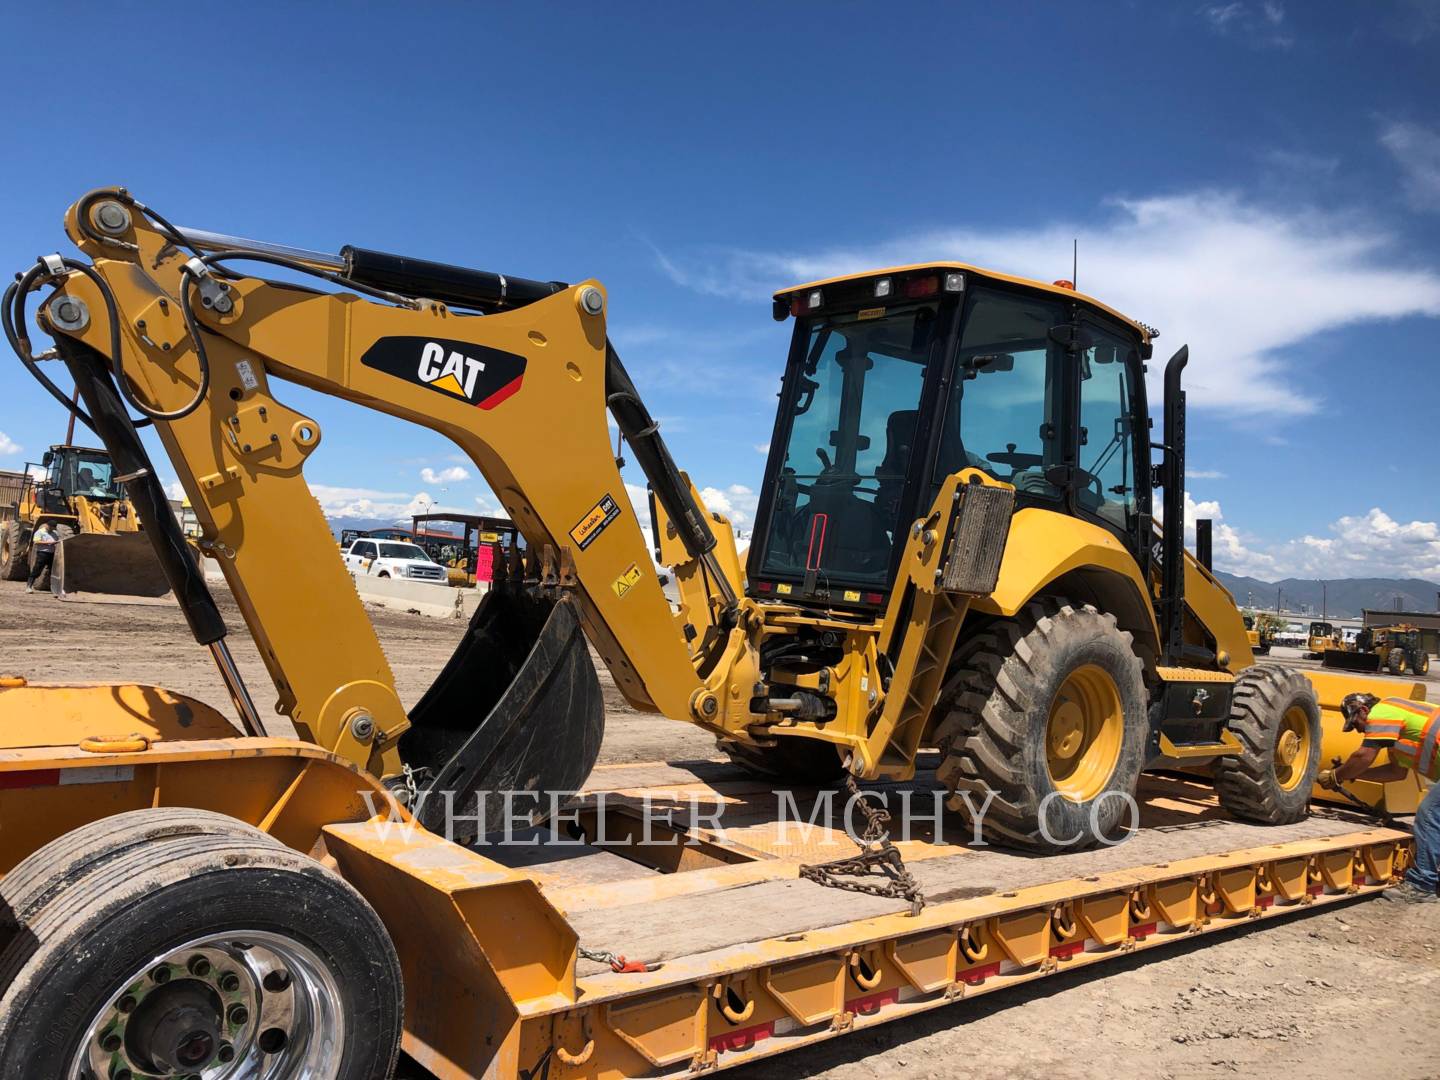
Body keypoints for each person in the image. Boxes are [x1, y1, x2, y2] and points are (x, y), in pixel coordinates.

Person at [1322, 692, 1438, 904]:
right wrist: (1351, 774)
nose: (1358, 730)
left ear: (1364, 710)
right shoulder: (1398, 738)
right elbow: (1395, 773)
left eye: (1355, 723)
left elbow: (1363, 756)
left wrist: (1336, 776)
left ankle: (1422, 886)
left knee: (1428, 814)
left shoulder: (1383, 712)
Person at [25, 521, 59, 593]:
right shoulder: (39, 532)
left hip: (51, 554)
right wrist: (48, 543)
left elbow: (57, 540)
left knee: (52, 572)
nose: (53, 529)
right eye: (52, 527)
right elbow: (36, 542)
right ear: (48, 526)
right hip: (42, 553)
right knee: (37, 570)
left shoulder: (55, 533)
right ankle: (29, 586)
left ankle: (54, 589)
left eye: (54, 528)